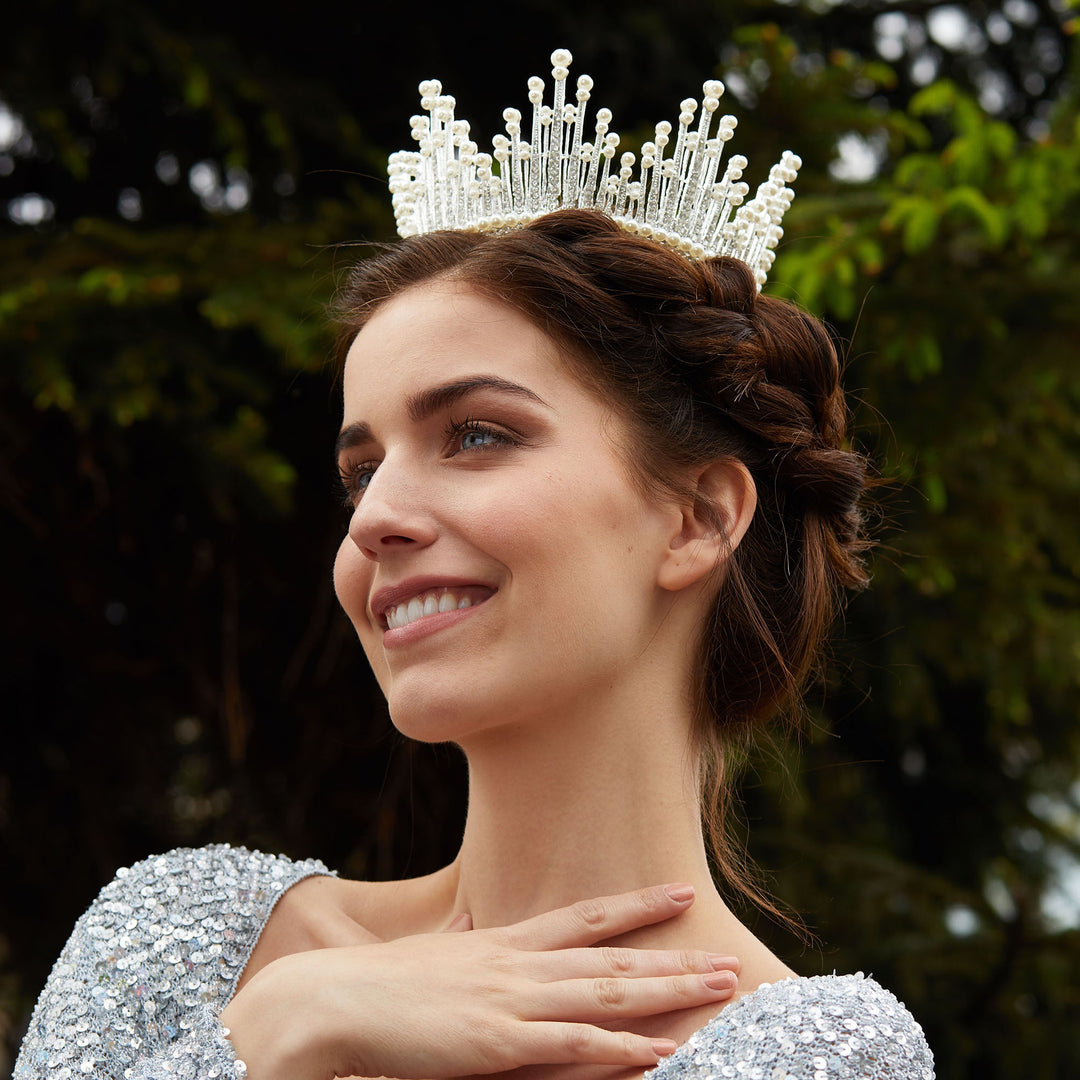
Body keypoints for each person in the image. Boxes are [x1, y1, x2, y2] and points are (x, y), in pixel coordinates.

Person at [15, 50, 934, 1080]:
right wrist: (274, 1032)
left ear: (696, 518)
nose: (377, 521)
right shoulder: (192, 949)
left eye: (477, 435)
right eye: (361, 472)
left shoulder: (805, 1056)